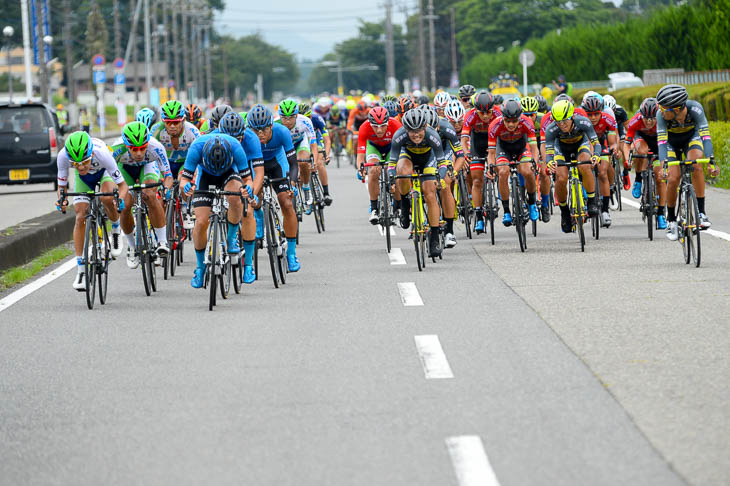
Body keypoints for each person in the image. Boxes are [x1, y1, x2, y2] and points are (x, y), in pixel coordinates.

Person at [56, 131, 128, 290]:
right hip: (84, 180)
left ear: (92, 154)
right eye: (76, 163)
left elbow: (123, 186)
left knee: (107, 198)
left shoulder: (103, 154)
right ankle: (81, 270)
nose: (81, 166)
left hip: (104, 173)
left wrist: (120, 200)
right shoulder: (62, 156)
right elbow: (62, 187)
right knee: (80, 216)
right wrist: (62, 200)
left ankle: (115, 229)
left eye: (85, 161)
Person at [180, 134, 252, 288]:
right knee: (200, 221)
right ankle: (200, 267)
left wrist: (248, 189)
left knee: (235, 198)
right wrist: (186, 186)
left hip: (229, 173)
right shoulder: (196, 148)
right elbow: (184, 179)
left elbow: (247, 179)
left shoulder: (236, 147)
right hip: (205, 176)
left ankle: (232, 237)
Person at [655, 84, 718, 239]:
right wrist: (664, 166)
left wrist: (711, 162)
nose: (661, 111)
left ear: (676, 109)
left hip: (691, 138)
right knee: (673, 177)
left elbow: (706, 138)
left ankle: (701, 213)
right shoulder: (660, 116)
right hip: (670, 143)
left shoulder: (695, 109)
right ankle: (671, 220)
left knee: (696, 165)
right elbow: (662, 143)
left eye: (664, 109)